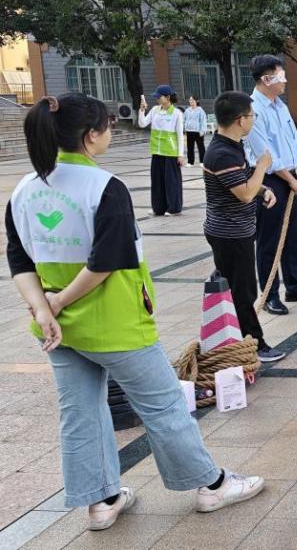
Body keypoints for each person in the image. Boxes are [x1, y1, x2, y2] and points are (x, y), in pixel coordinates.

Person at [6, 93, 264, 531]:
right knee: (163, 406)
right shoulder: (104, 187)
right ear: (91, 136)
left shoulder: (25, 188)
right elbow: (108, 260)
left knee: (80, 412)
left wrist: (44, 308)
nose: (109, 131)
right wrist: (60, 302)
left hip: (58, 328)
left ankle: (102, 501)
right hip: (116, 321)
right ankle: (212, 485)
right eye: (106, 126)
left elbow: (19, 259)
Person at [203, 91, 285, 362]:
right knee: (243, 291)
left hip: (236, 229)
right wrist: (263, 166)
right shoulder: (222, 153)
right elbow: (245, 194)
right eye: (252, 115)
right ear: (240, 119)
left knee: (237, 285)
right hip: (229, 232)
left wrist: (264, 190)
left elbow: (244, 181)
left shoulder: (231, 146)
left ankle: (232, 337)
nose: (253, 120)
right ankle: (255, 345)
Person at [246, 55, 297, 315]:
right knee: (270, 240)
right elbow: (264, 154)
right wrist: (291, 180)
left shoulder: (280, 106)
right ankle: (270, 294)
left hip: (292, 179)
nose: (285, 81)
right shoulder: (253, 110)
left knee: (293, 236)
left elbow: (295, 142)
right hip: (270, 181)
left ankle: (295, 286)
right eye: (281, 76)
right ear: (266, 79)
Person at [138, 85, 184, 217]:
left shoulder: (177, 113)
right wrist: (142, 110)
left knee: (171, 182)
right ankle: (158, 208)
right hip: (157, 152)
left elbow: (180, 135)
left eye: (159, 96)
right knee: (157, 181)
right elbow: (142, 123)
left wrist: (180, 155)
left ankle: (173, 208)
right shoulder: (154, 110)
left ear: (168, 97)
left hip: (170, 153)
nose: (157, 99)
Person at [183, 96, 208, 167]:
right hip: (189, 131)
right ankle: (190, 162)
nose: (191, 101)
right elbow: (184, 120)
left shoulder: (200, 110)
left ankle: (202, 161)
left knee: (201, 147)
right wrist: (184, 128)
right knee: (190, 147)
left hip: (198, 131)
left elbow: (203, 121)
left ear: (196, 101)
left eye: (192, 100)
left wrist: (202, 130)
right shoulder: (187, 110)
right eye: (190, 100)